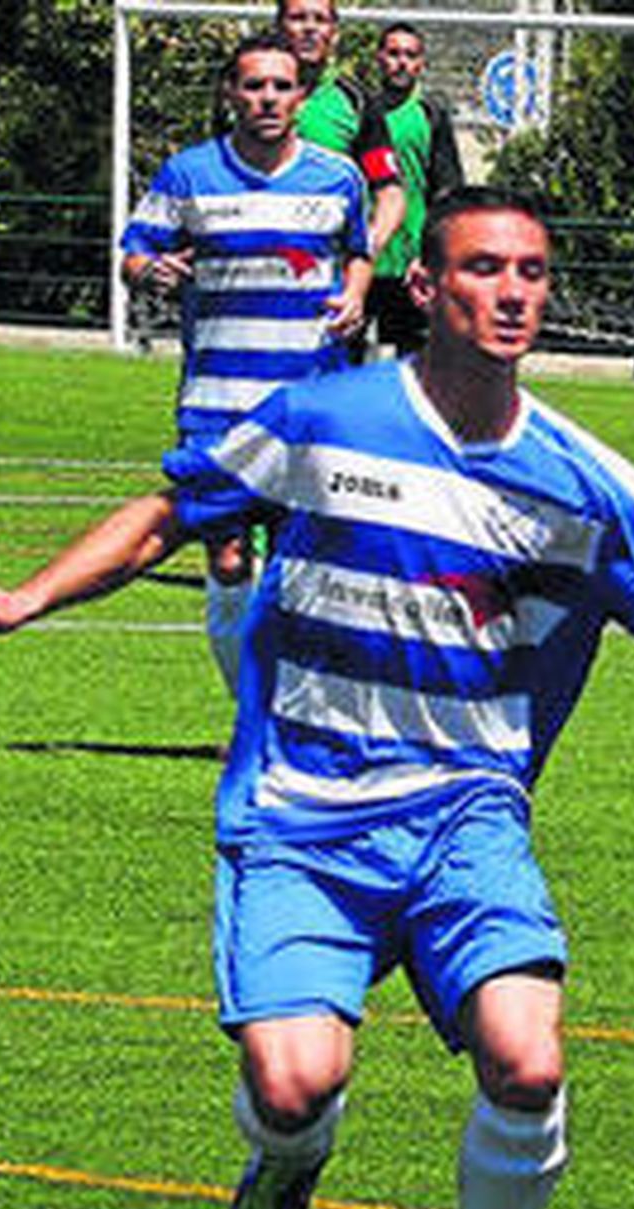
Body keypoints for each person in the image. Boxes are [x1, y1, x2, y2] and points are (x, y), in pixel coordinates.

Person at [0, 186, 634, 1209]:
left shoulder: (584, 481)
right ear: (426, 287)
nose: (513, 292)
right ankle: (285, 1164)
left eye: (532, 271)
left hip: (465, 818)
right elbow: (173, 513)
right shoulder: (327, 417)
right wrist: (25, 600)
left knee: (528, 1064)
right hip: (301, 816)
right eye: (484, 268)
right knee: (291, 1086)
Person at [122, 31, 372, 697]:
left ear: (301, 95)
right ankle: (251, 716)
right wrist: (152, 271)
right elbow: (135, 251)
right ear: (231, 93)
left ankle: (301, 712)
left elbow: (359, 250)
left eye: (280, 86)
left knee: (305, 568)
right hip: (217, 404)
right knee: (228, 559)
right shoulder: (188, 174)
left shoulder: (337, 177)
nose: (267, 98)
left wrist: (355, 293)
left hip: (308, 407)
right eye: (254, 85)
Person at [276, 0, 406, 273]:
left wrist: (365, 252)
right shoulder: (246, 93)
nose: (309, 28)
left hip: (325, 272)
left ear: (334, 34)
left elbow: (390, 193)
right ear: (279, 26)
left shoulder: (355, 101)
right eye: (298, 18)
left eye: (320, 20)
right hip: (252, 266)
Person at [369, 20, 465, 356]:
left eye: (410, 55)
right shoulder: (361, 110)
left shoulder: (431, 113)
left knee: (412, 357)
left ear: (422, 63)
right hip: (366, 255)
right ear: (379, 58)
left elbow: (447, 188)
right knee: (348, 353)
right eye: (393, 53)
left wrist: (430, 253)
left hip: (411, 260)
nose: (401, 62)